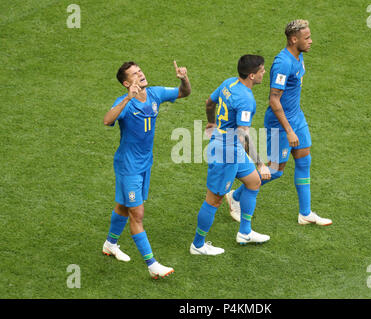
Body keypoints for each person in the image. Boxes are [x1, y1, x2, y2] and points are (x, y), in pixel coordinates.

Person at [226, 20, 332, 226]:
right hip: (280, 123)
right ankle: (235, 197)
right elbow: (274, 100)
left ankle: (305, 213)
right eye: (307, 38)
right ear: (294, 40)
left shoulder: (298, 55)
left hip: (296, 116)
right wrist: (289, 130)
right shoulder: (283, 63)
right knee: (275, 170)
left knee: (304, 160)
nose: (311, 41)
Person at [102, 60, 191, 278]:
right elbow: (107, 120)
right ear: (126, 83)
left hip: (145, 164)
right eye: (134, 74)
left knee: (124, 206)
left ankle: (110, 244)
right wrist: (127, 98)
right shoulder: (126, 102)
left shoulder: (155, 94)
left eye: (140, 70)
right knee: (137, 214)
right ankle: (152, 266)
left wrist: (184, 78)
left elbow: (184, 93)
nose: (140, 74)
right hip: (128, 166)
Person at [190, 55, 271, 256]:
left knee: (253, 182)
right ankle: (198, 245)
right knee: (214, 200)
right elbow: (243, 134)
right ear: (252, 75)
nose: (264, 73)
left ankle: (245, 232)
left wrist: (211, 123)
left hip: (230, 146)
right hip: (226, 151)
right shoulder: (246, 100)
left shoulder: (229, 83)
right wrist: (260, 162)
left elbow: (210, 103)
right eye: (262, 70)